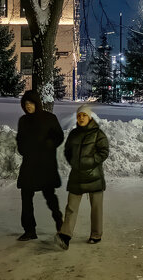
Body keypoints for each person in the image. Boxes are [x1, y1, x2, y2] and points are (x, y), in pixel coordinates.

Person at [56, 104, 110, 249]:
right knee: (71, 207)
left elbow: (104, 152)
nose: (81, 118)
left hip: (94, 176)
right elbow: (67, 151)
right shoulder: (74, 134)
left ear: (89, 117)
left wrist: (90, 162)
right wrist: (74, 162)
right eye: (79, 115)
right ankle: (65, 236)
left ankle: (96, 235)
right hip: (77, 176)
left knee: (96, 208)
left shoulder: (98, 134)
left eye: (84, 115)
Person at [16, 90, 65, 241]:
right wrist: (23, 149)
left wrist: (50, 144)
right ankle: (29, 230)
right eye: (26, 103)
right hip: (29, 164)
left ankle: (60, 223)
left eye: (31, 103)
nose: (28, 106)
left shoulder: (49, 118)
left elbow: (59, 136)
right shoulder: (23, 120)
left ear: (37, 103)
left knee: (49, 196)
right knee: (26, 196)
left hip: (45, 164)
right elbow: (20, 139)